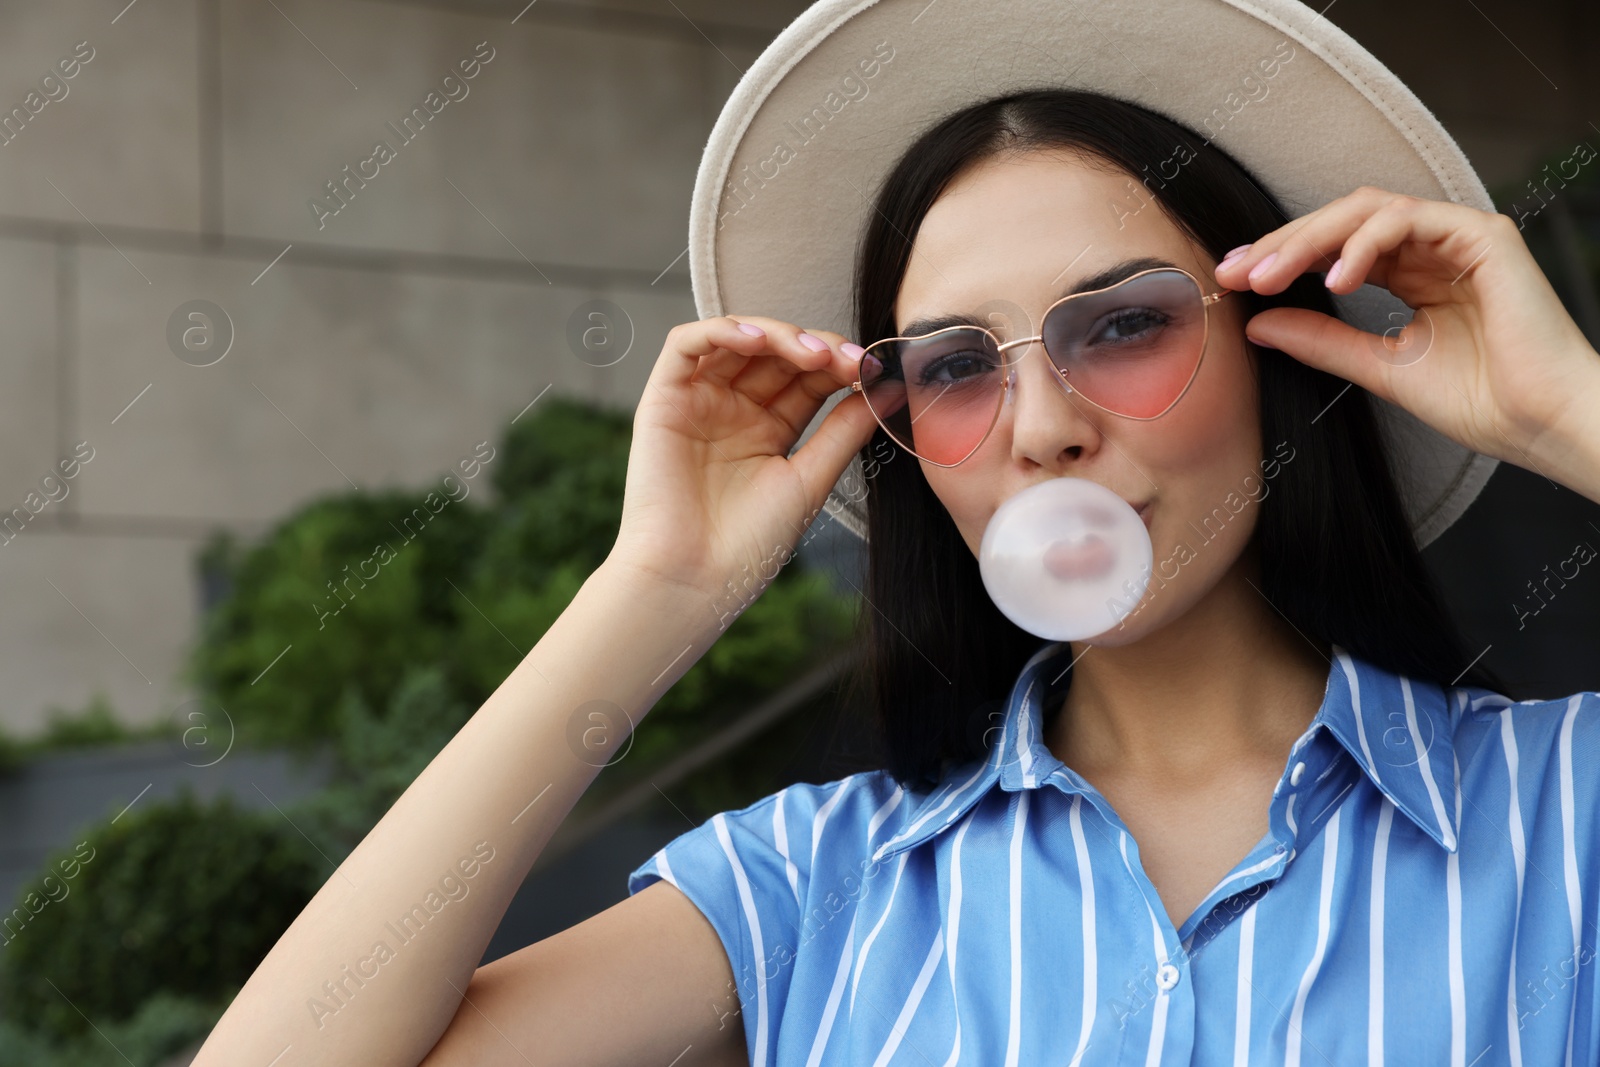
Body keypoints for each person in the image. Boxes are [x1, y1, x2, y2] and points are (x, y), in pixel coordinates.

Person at [194, 2, 1600, 1065]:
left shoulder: (1563, 814)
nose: (1041, 426)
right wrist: (658, 589)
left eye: (1121, 326)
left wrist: (1559, 408)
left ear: (1277, 357)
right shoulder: (810, 883)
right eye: (956, 366)